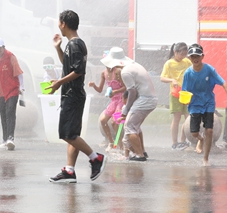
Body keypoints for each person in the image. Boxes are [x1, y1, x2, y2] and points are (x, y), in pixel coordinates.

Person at [46, 10, 105, 183]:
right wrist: (58, 48)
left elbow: (78, 71)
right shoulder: (74, 44)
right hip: (73, 94)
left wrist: (59, 83)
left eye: (59, 22)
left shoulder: (75, 44)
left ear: (64, 23)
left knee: (67, 134)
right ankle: (70, 170)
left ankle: (96, 158)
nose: (58, 26)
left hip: (73, 95)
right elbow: (68, 65)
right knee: (73, 135)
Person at [181, 43, 227, 167]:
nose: (195, 58)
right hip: (195, 105)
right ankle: (200, 139)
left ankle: (205, 159)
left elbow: (224, 83)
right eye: (192, 56)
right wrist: (185, 99)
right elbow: (185, 91)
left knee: (209, 130)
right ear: (189, 58)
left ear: (202, 56)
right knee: (193, 133)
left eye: (197, 56)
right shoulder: (188, 73)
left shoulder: (209, 70)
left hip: (208, 103)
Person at [118, 51, 159, 162]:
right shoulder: (135, 66)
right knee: (135, 126)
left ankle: (139, 154)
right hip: (151, 98)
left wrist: (126, 110)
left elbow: (132, 92)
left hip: (145, 100)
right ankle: (142, 151)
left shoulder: (125, 72)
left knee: (129, 127)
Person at [0, 37, 24, 151]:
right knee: (3, 114)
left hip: (12, 89)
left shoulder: (10, 56)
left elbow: (19, 73)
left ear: (3, 47)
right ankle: (4, 139)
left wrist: (21, 87)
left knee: (10, 112)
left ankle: (10, 138)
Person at [159, 42, 191, 150]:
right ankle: (174, 142)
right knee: (177, 118)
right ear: (175, 52)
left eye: (185, 54)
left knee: (188, 118)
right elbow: (162, 78)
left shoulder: (187, 62)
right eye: (181, 54)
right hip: (175, 93)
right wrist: (172, 80)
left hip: (186, 93)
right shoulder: (169, 63)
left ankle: (183, 140)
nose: (183, 56)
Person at [92, 55, 125, 151]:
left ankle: (120, 145)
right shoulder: (104, 73)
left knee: (115, 122)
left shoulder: (118, 71)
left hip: (121, 99)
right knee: (103, 120)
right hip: (114, 100)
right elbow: (99, 89)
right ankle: (111, 142)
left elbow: (125, 87)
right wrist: (94, 85)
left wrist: (115, 91)